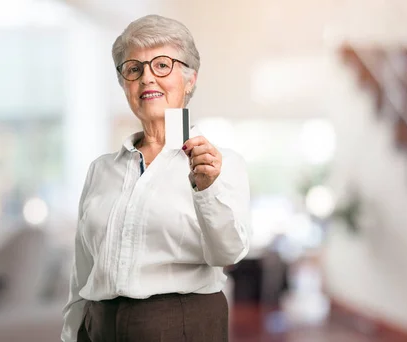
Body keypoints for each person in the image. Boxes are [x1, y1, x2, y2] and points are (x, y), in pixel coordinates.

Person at [61, 14, 251, 342]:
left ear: (189, 80)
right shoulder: (101, 169)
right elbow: (82, 271)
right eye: (134, 69)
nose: (147, 77)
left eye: (162, 65)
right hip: (98, 326)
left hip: (180, 325)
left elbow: (229, 253)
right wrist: (70, 334)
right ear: (124, 85)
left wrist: (207, 188)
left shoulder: (223, 164)